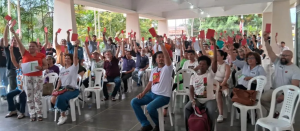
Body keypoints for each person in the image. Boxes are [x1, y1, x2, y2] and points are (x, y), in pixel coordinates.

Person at [131, 35, 172, 131]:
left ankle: (159, 124)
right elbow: (150, 83)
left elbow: (167, 56)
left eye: (163, 57)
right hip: (152, 94)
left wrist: (161, 43)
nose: (161, 58)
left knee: (150, 107)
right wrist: (143, 93)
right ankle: (146, 124)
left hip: (163, 96)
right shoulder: (154, 70)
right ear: (156, 60)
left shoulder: (167, 68)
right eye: (159, 57)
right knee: (134, 102)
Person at [10, 27, 47, 122]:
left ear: (37, 47)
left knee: (37, 95)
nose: (31, 47)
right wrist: (14, 33)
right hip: (27, 77)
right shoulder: (25, 53)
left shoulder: (41, 55)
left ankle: (39, 114)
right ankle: (32, 114)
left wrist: (41, 68)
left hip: (38, 76)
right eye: (29, 46)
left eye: (33, 46)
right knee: (29, 96)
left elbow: (46, 66)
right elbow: (19, 43)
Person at [261, 32, 300, 116]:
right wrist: (266, 40)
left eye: (286, 55)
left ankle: (277, 116)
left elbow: (294, 86)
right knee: (262, 99)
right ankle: (274, 113)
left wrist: (283, 95)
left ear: (291, 57)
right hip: (274, 90)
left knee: (280, 105)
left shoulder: (295, 70)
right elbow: (269, 51)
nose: (283, 57)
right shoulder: (278, 62)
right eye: (282, 55)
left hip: (285, 92)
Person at [184, 37, 218, 131]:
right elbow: (191, 89)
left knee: (211, 111)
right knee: (187, 108)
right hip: (197, 99)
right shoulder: (194, 76)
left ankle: (210, 129)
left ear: (207, 66)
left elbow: (214, 61)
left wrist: (214, 45)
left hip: (209, 100)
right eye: (200, 64)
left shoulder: (210, 74)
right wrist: (192, 99)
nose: (201, 66)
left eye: (204, 64)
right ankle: (189, 128)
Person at [52, 42, 80, 125]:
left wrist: (75, 47)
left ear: (71, 60)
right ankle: (65, 108)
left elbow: (75, 56)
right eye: (65, 58)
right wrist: (57, 88)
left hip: (73, 89)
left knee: (60, 98)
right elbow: (60, 80)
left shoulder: (74, 67)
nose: (66, 59)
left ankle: (63, 115)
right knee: (53, 98)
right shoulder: (62, 69)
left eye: (68, 58)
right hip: (63, 89)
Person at [5, 45, 26, 119]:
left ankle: (22, 112)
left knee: (22, 96)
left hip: (26, 89)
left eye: (22, 62)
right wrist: (11, 51)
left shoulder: (27, 71)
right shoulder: (18, 70)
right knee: (9, 95)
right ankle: (12, 110)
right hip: (18, 88)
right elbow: (13, 60)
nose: (21, 63)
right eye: (20, 62)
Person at [2, 24, 21, 92]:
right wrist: (7, 27)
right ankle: (12, 101)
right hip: (11, 70)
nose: (14, 41)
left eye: (15, 39)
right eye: (12, 40)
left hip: (20, 71)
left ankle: (19, 100)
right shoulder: (8, 48)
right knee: (13, 87)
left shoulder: (20, 49)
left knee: (20, 87)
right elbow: (5, 38)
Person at [214, 50, 231, 123]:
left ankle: (220, 114)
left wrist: (221, 85)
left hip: (222, 84)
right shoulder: (213, 64)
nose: (216, 56)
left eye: (217, 55)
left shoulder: (226, 66)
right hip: (214, 83)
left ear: (222, 56)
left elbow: (226, 78)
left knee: (218, 93)